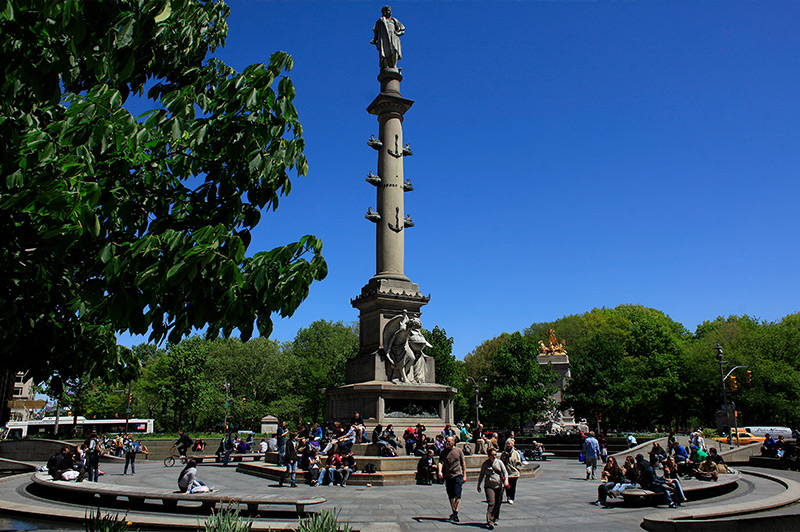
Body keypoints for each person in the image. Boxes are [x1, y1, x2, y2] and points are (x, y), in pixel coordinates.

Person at [477, 448, 509, 530]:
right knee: (491, 502)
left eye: (495, 455)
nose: (494, 456)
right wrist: (479, 484)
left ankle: (495, 517)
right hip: (489, 486)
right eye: (492, 455)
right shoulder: (485, 464)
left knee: (498, 503)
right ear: (489, 456)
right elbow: (482, 474)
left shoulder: (499, 462)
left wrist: (506, 481)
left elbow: (505, 472)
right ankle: (490, 521)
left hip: (499, 485)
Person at [438, 436, 467, 523]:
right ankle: (454, 512)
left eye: (450, 441)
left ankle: (456, 512)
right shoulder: (444, 452)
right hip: (448, 475)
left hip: (458, 474)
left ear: (454, 442)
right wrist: (440, 471)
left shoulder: (459, 451)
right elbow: (441, 462)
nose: (448, 443)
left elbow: (463, 463)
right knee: (451, 495)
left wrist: (465, 474)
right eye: (447, 441)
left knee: (457, 494)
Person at [500, 438, 522, 504]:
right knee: (507, 485)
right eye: (507, 443)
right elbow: (501, 462)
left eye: (509, 443)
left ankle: (512, 497)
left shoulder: (516, 453)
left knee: (512, 485)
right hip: (506, 472)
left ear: (512, 444)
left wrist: (517, 469)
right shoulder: (503, 453)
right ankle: (508, 496)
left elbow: (519, 463)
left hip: (514, 472)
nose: (508, 445)